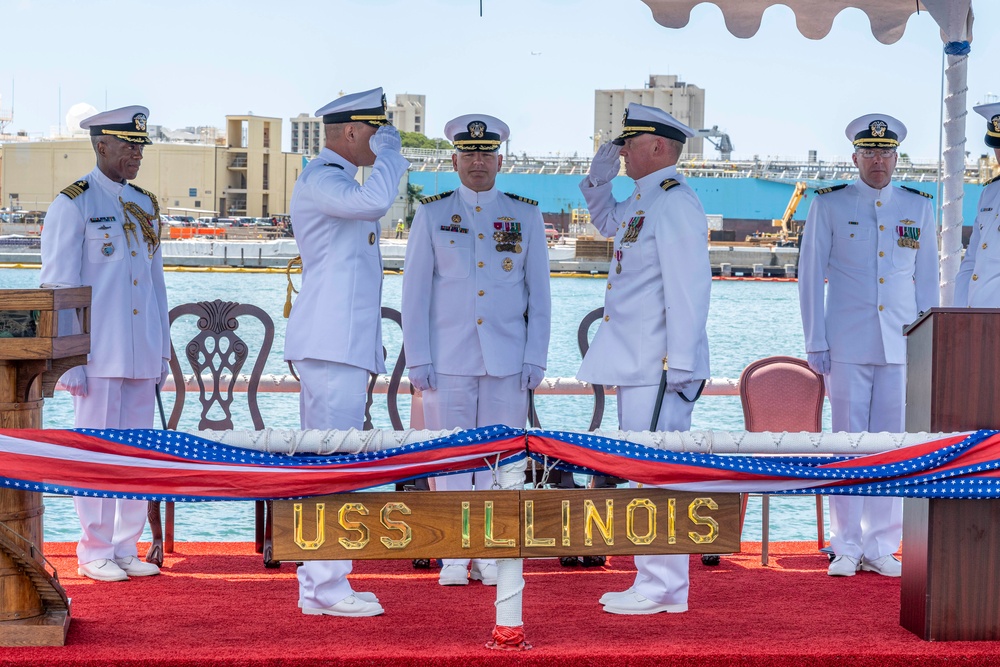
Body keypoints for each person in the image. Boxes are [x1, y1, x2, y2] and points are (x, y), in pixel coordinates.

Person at [401, 114, 551, 587]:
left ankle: (490, 552)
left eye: (486, 153)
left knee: (499, 459)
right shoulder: (432, 214)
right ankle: (452, 553)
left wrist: (536, 356)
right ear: (454, 160)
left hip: (507, 360)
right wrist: (418, 358)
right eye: (469, 154)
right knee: (450, 459)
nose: (478, 162)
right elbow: (414, 295)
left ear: (500, 159)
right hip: (448, 360)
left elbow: (540, 294)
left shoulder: (525, 214)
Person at [576, 103, 711, 614]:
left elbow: (689, 290)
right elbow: (607, 222)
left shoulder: (674, 202)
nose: (622, 152)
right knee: (645, 469)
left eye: (629, 145)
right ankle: (654, 579)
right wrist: (599, 176)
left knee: (659, 471)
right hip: (638, 362)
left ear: (658, 147)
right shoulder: (643, 199)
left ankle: (663, 585)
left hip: (656, 364)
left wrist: (680, 363)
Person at [283, 87, 409, 616]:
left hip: (340, 344)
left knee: (329, 462)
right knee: (332, 464)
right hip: (331, 345)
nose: (381, 140)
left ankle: (319, 584)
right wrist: (394, 158)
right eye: (376, 131)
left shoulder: (337, 179)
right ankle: (329, 586)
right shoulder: (324, 179)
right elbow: (376, 203)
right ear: (354, 132)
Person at [798, 114, 938, 577]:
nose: (878, 160)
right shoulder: (829, 204)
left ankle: (882, 545)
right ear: (854, 157)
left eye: (886, 152)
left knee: (893, 446)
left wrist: (927, 344)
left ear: (897, 158)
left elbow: (925, 284)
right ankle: (846, 544)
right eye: (869, 152)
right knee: (846, 444)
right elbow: (809, 277)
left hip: (900, 347)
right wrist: (815, 341)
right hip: (847, 345)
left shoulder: (918, 207)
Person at [40, 105, 169, 582]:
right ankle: (93, 548)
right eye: (128, 145)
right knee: (94, 451)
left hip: (140, 350)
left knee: (135, 451)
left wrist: (162, 349)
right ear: (102, 145)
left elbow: (155, 284)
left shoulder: (146, 204)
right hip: (97, 355)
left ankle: (124, 545)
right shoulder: (72, 204)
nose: (137, 154)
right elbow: (57, 288)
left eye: (140, 146)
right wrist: (70, 359)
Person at [955, 102, 1000, 307]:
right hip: (979, 323)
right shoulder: (989, 194)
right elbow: (971, 263)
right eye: (997, 146)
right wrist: (959, 315)